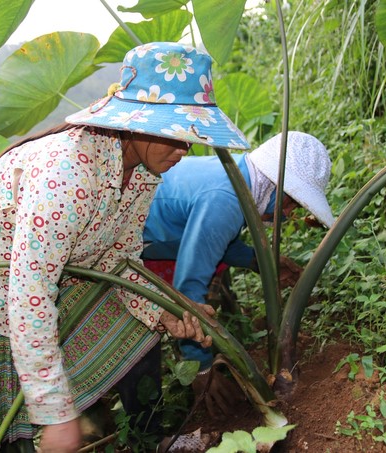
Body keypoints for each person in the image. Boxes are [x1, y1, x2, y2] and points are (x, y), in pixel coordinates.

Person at [0, 41, 250, 453]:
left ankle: (148, 438)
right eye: (172, 134)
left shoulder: (140, 173)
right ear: (133, 122)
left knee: (134, 327)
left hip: (24, 281)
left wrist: (167, 311)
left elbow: (118, 260)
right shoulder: (68, 175)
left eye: (190, 137)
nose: (183, 150)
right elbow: (30, 295)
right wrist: (57, 415)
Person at [141, 131, 336, 416]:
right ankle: (146, 425)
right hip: (124, 245)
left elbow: (217, 240)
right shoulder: (226, 199)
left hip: (157, 241)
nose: (288, 213)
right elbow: (187, 290)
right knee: (138, 349)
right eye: (292, 204)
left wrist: (258, 261)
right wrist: (201, 369)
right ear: (280, 190)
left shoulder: (240, 178)